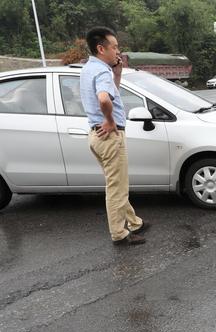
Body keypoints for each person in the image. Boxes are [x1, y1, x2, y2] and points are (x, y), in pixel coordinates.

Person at [80, 27, 149, 245]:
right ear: (101, 49)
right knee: (117, 188)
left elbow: (110, 95)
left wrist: (117, 74)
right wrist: (110, 121)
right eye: (115, 47)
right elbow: (103, 99)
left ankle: (134, 222)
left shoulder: (90, 68)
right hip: (110, 137)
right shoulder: (101, 71)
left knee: (116, 183)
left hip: (97, 137)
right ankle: (119, 233)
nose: (118, 51)